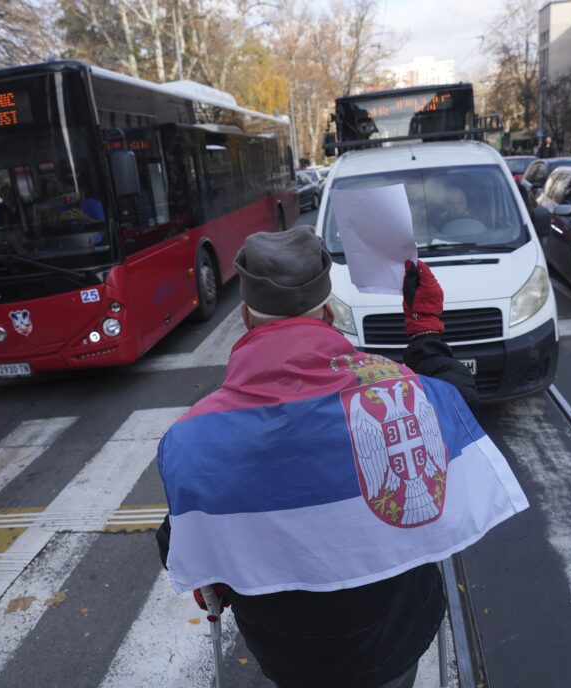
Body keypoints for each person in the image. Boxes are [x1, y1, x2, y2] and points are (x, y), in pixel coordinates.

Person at [156, 227, 528, 688]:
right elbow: (457, 400)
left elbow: (181, 543)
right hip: (392, 641)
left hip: (286, 652)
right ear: (328, 313)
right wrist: (425, 329)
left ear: (247, 316)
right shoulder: (399, 394)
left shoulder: (194, 437)